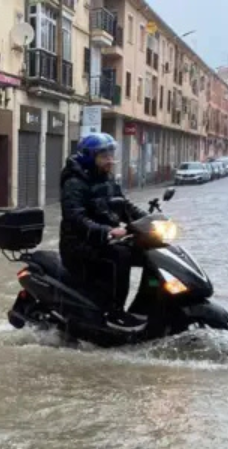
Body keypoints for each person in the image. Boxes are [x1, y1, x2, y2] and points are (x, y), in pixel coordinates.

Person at [58, 132, 148, 330]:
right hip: (79, 246)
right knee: (121, 256)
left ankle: (148, 307)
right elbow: (75, 217)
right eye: (104, 156)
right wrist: (107, 230)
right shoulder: (74, 182)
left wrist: (148, 219)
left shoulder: (106, 179)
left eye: (111, 154)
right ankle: (114, 313)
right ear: (90, 157)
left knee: (147, 251)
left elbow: (123, 205)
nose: (110, 160)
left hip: (103, 241)